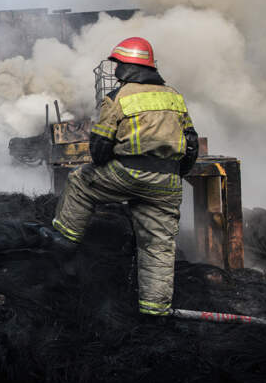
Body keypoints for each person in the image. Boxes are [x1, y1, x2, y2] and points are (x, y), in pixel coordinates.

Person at [42, 37, 199, 317]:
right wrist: (173, 175)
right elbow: (192, 145)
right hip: (167, 182)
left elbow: (99, 148)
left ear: (127, 67)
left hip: (126, 174)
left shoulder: (118, 97)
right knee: (158, 246)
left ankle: (63, 243)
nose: (116, 70)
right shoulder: (174, 96)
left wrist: (110, 169)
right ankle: (154, 312)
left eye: (118, 65)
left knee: (79, 182)